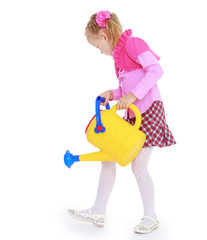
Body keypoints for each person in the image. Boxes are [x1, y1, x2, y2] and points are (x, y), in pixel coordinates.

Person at [67, 10, 176, 234]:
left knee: (139, 166)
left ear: (104, 37)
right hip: (133, 115)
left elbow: (155, 70)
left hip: (149, 111)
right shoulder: (118, 59)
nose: (99, 52)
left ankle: (151, 216)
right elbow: (128, 89)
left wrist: (132, 96)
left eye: (97, 46)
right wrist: (114, 93)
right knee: (108, 158)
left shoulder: (133, 44)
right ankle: (98, 210)